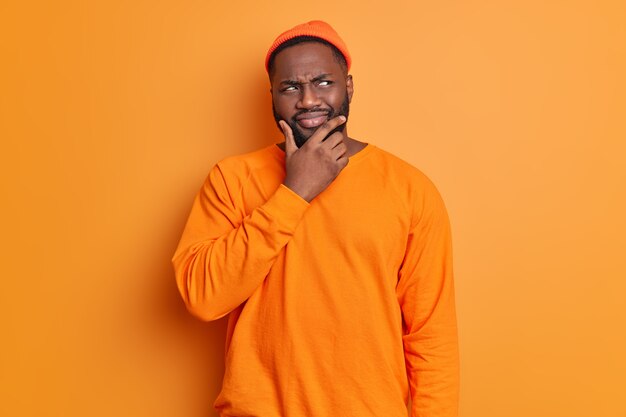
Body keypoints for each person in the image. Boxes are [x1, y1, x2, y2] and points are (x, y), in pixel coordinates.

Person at [172, 20, 459, 417]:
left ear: (349, 87)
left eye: (324, 82)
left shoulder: (410, 188)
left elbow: (431, 336)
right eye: (291, 87)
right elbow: (203, 297)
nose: (308, 100)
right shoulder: (232, 179)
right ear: (272, 95)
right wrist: (294, 192)